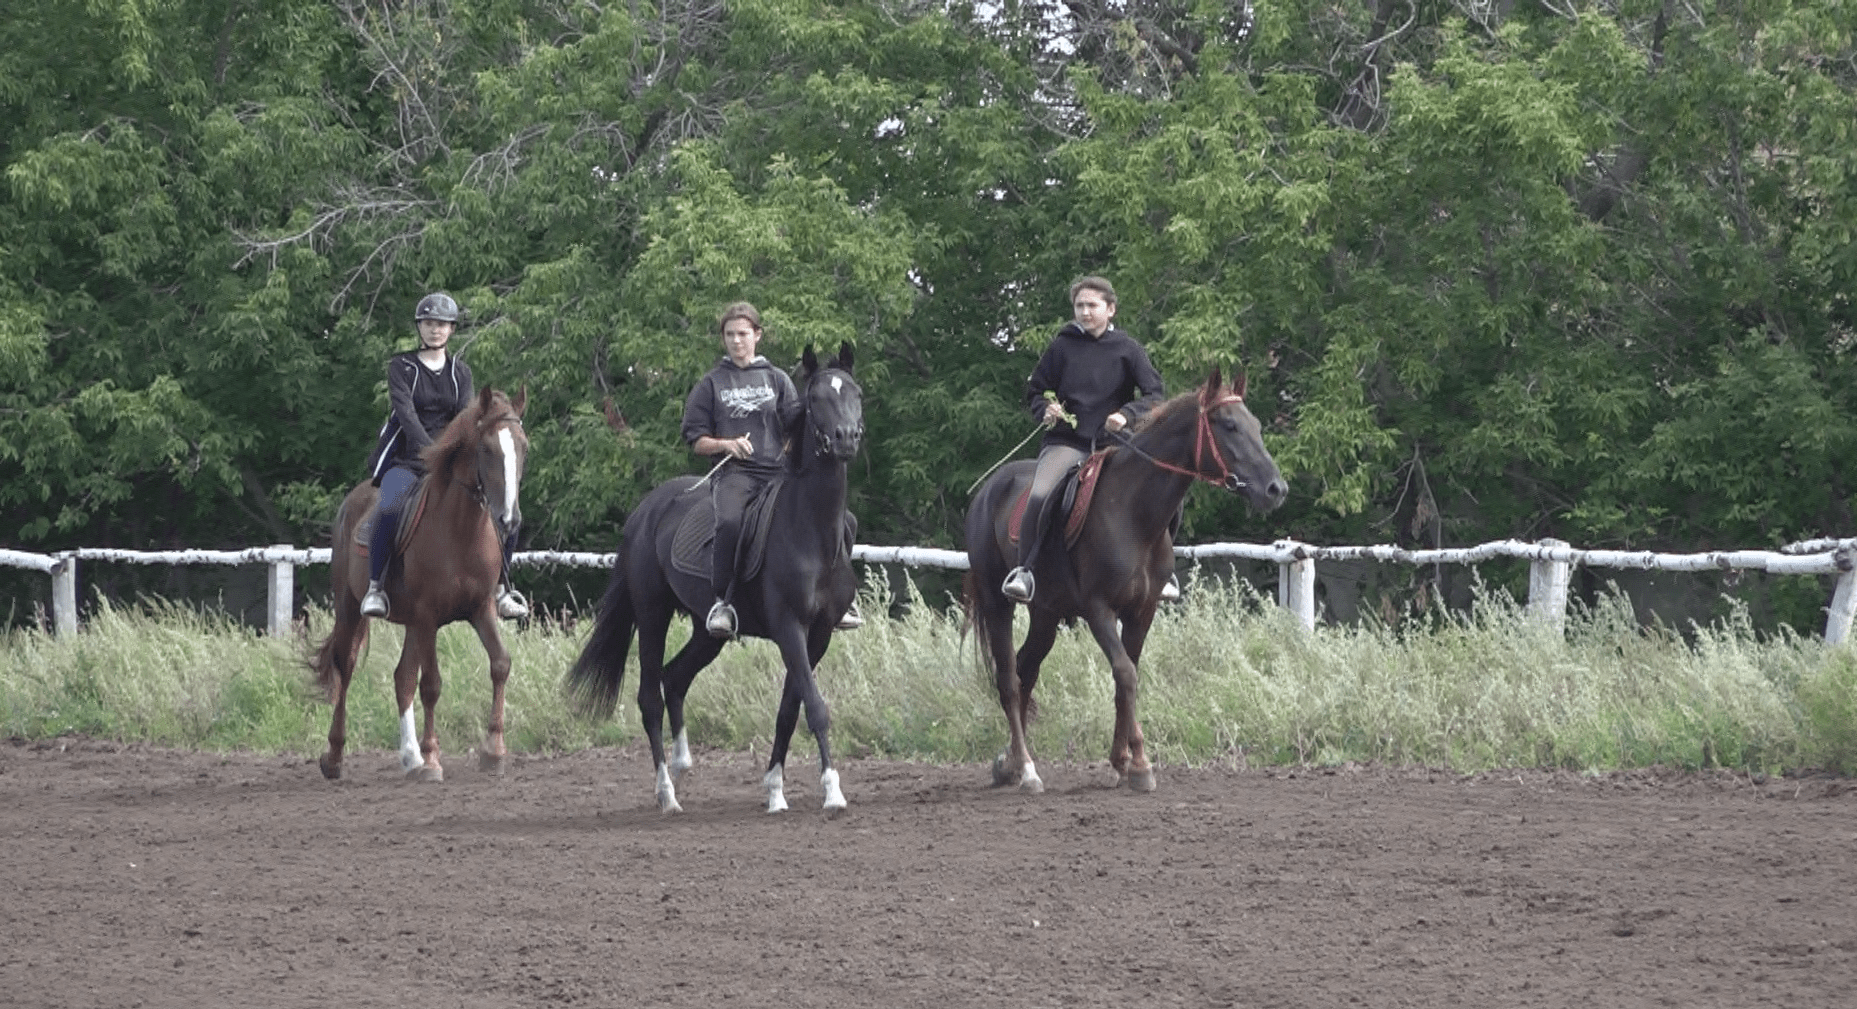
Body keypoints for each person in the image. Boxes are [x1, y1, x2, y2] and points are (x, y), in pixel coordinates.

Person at [1002, 276, 1178, 604]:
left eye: (1092, 306)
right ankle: (1025, 572)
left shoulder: (1129, 349)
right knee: (1039, 495)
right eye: (1079, 306)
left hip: (1116, 444)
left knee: (1167, 491)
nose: (1085, 312)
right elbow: (1035, 389)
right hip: (1067, 442)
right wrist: (1046, 408)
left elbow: (1155, 394)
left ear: (1110, 309)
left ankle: (1163, 572)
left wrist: (1126, 413)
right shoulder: (1062, 346)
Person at [359, 292, 529, 621]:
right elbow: (405, 415)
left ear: (451, 330)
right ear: (419, 328)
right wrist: (428, 451)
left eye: (442, 325)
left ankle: (503, 590)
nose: (436, 330)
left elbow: (463, 417)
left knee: (507, 510)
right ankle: (375, 586)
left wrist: (449, 455)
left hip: (450, 460)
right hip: (409, 458)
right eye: (429, 324)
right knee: (390, 505)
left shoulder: (460, 372)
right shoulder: (401, 367)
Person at [681, 302, 804, 638]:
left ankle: (835, 595)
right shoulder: (711, 383)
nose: (736, 341)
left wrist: (789, 449)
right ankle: (723, 602)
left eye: (743, 334)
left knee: (833, 516)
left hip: (778, 476)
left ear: (757, 335)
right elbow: (696, 440)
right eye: (730, 334)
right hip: (735, 475)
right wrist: (726, 444)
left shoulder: (777, 379)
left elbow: (795, 428)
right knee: (731, 521)